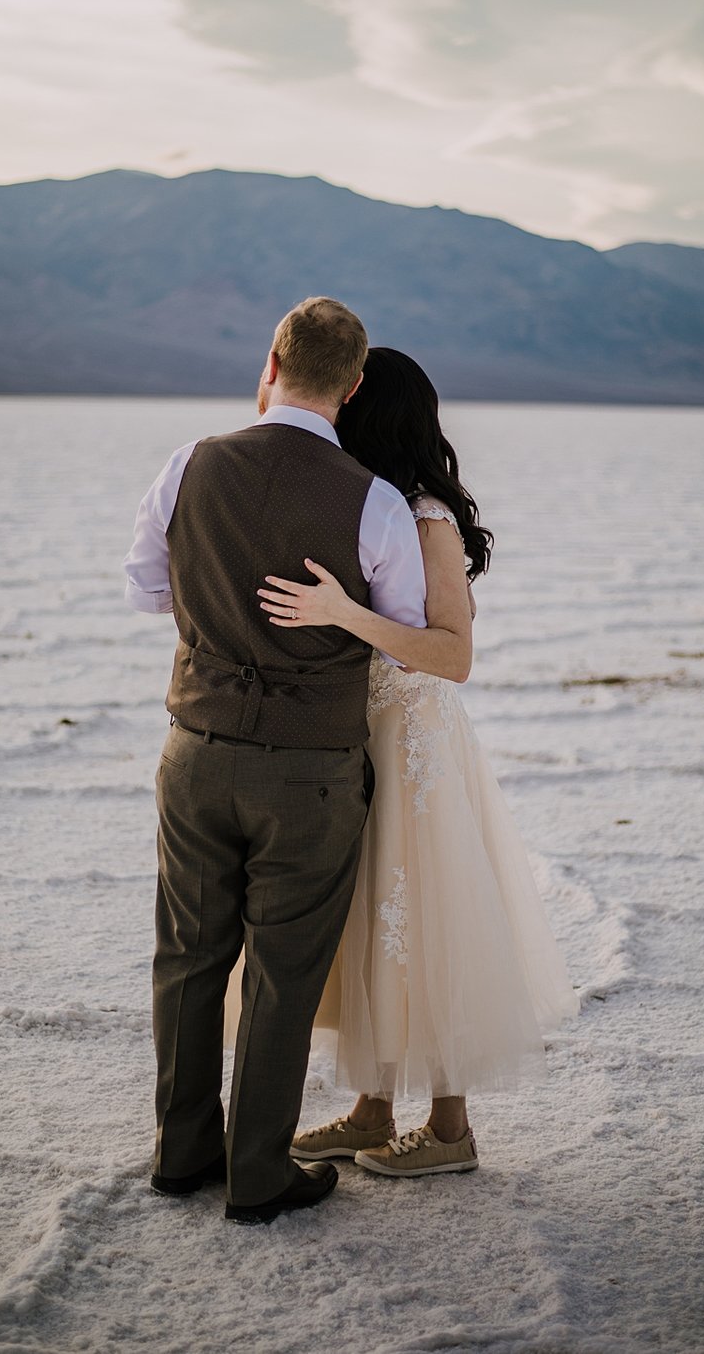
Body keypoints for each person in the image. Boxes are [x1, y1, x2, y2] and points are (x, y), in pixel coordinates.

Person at [122, 301, 428, 1223]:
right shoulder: (372, 499)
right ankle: (258, 1174)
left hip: (196, 752)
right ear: (355, 383)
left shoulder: (190, 462)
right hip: (310, 771)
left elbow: (143, 590)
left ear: (272, 361)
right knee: (283, 971)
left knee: (187, 955)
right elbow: (407, 638)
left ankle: (182, 1155)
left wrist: (219, 599)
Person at [252, 347, 580, 1178]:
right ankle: (370, 1110)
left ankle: (447, 1130)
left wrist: (337, 613)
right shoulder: (369, 505)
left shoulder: (426, 513)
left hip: (414, 746)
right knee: (372, 926)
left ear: (370, 411)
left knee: (426, 924)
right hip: (359, 738)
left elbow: (452, 654)